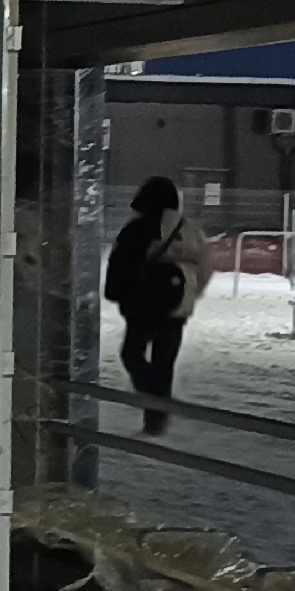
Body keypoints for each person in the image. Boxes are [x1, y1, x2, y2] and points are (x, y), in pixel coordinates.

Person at [103, 176, 213, 433]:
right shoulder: (191, 229)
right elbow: (206, 269)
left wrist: (117, 293)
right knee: (165, 361)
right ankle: (157, 420)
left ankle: (156, 401)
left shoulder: (140, 227)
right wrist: (190, 294)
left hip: (145, 305)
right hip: (179, 305)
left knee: (132, 354)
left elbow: (121, 264)